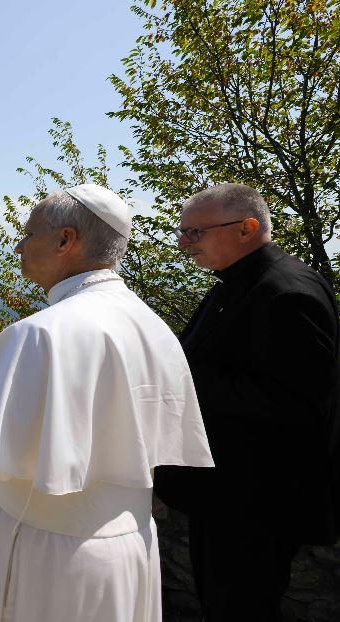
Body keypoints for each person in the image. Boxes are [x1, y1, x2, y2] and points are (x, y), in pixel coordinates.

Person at [0, 184, 215, 622]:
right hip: (130, 547)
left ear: (65, 240)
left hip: (42, 558)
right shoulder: (153, 326)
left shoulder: (40, 334)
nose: (19, 246)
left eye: (28, 234)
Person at [154, 183, 340, 621]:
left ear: (247, 228)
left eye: (195, 233)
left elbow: (301, 405)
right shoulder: (243, 278)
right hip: (229, 496)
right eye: (182, 232)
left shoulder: (286, 293)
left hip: (256, 505)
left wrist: (182, 377)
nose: (183, 244)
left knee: (241, 608)